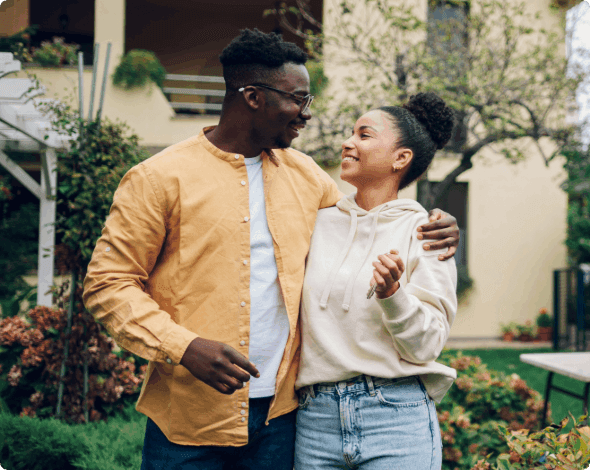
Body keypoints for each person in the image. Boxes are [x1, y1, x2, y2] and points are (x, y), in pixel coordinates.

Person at [82, 30, 459, 470]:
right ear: (253, 97)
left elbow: (365, 221)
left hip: (283, 423)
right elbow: (108, 284)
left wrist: (437, 225)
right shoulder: (158, 178)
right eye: (298, 99)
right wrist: (183, 346)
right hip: (186, 420)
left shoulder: (308, 177)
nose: (306, 114)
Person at [294, 92, 457, 470]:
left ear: (401, 159)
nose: (347, 142)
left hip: (396, 418)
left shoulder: (426, 232)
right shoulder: (317, 222)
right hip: (315, 420)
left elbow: (428, 345)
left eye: (364, 135)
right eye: (351, 133)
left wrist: (393, 295)